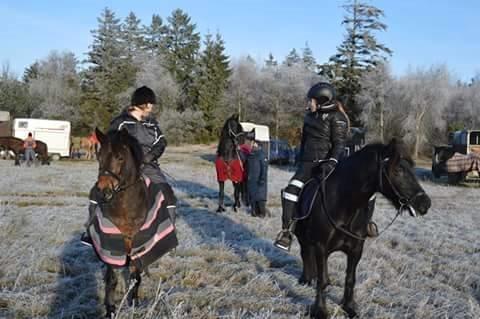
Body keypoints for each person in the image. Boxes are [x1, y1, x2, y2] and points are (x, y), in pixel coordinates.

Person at [81, 86, 176, 245]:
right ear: (142, 104)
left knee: (168, 193)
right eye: (150, 104)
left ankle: (168, 231)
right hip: (123, 167)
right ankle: (90, 230)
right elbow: (109, 144)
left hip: (149, 166)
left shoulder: (152, 124)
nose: (152, 108)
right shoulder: (120, 122)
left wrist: (149, 156)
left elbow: (161, 143)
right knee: (97, 192)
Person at [273, 82, 350, 251]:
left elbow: (339, 144)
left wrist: (332, 162)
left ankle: (366, 224)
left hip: (328, 165)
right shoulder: (308, 116)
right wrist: (300, 159)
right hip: (307, 166)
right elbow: (305, 141)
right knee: (290, 191)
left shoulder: (338, 117)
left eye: (311, 101)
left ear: (321, 101)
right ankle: (286, 232)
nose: (308, 103)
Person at [245, 130, 269, 217]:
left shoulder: (261, 154)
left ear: (255, 144)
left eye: (251, 143)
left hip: (259, 181)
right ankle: (254, 212)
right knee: (253, 197)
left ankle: (262, 212)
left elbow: (264, 168)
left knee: (260, 198)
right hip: (251, 180)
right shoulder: (250, 155)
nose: (249, 144)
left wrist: (262, 179)